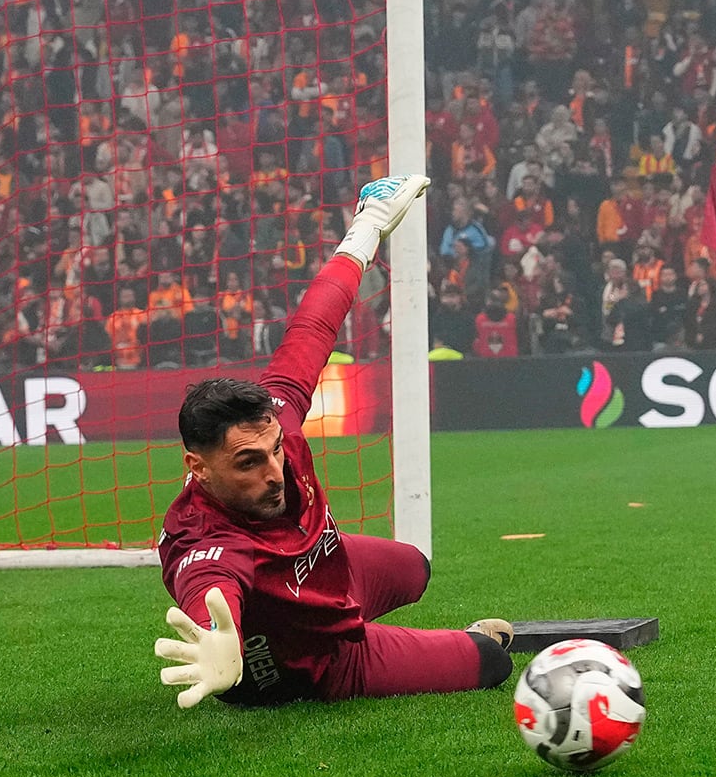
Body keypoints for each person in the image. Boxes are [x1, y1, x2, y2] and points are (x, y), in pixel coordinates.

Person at [153, 176, 513, 709]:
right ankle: (410, 645)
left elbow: (314, 325)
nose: (274, 471)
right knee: (493, 659)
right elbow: (208, 589)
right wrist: (221, 643)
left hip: (334, 570)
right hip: (320, 659)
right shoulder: (206, 545)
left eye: (274, 450)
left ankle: (363, 610)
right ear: (197, 468)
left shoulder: (280, 423)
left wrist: (365, 228)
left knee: (415, 568)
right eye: (248, 462)